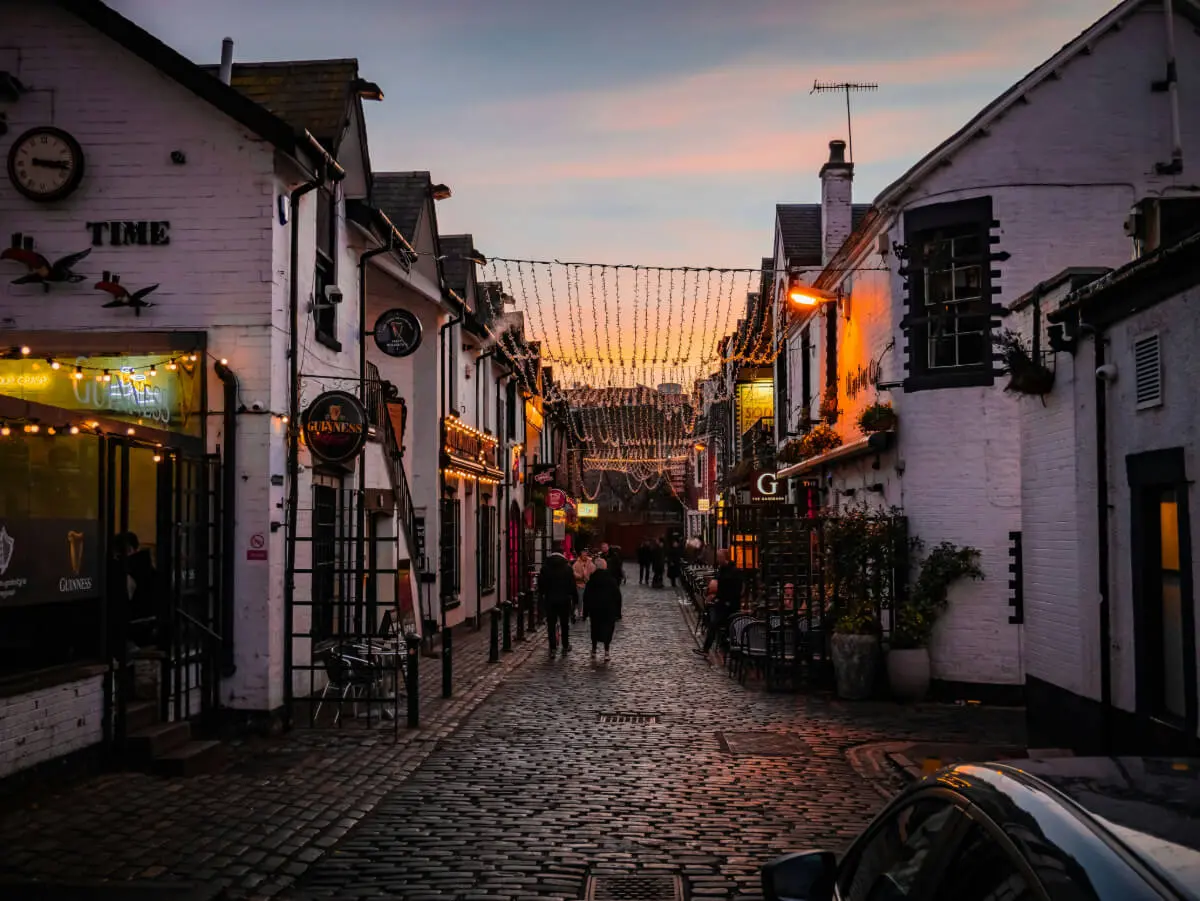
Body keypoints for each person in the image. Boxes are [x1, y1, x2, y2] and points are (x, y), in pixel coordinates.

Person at [695, 547, 743, 656]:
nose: (717, 559)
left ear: (725, 557)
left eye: (719, 557)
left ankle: (710, 649)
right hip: (720, 603)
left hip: (729, 605)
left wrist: (723, 599)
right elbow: (716, 583)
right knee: (711, 618)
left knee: (714, 623)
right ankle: (712, 647)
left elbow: (735, 590)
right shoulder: (721, 569)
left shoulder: (734, 571)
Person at [538, 541, 578, 658]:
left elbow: (541, 586)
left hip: (550, 600)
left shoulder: (545, 568)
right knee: (564, 623)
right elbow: (572, 586)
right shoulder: (567, 568)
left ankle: (552, 648)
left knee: (551, 624)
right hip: (564, 600)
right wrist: (575, 600)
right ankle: (565, 645)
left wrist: (542, 596)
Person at [582, 557, 622, 662]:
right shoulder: (611, 580)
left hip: (595, 610)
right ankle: (606, 651)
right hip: (609, 609)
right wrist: (618, 612)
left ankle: (594, 649)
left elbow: (586, 597)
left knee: (595, 629)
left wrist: (585, 612)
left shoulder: (592, 580)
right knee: (608, 630)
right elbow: (618, 596)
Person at [572, 550, 595, 621]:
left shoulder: (590, 563)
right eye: (583, 554)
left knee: (589, 599)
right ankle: (580, 612)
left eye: (585, 554)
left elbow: (594, 571)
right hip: (579, 584)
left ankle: (588, 612)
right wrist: (580, 576)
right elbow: (573, 572)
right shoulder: (576, 563)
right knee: (580, 599)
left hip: (588, 584)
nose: (584, 556)